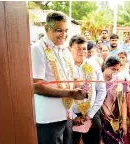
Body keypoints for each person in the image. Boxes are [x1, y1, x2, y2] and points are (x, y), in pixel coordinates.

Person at [31, 11, 86, 144]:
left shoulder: (65, 51)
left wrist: (80, 84)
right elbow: (36, 86)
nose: (64, 35)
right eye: (58, 30)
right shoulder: (37, 49)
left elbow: (70, 80)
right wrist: (71, 92)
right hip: (49, 117)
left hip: (67, 115)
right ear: (46, 28)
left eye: (66, 30)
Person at [68, 35, 107, 144]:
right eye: (78, 48)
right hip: (70, 115)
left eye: (84, 49)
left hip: (92, 113)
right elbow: (62, 93)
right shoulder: (66, 67)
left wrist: (91, 114)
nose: (82, 52)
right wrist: (73, 116)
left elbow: (102, 90)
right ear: (70, 49)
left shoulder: (94, 65)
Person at [100, 56, 127, 144]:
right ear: (106, 67)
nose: (115, 72)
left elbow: (123, 101)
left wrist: (124, 122)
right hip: (100, 122)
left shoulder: (119, 83)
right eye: (113, 69)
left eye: (117, 70)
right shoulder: (97, 81)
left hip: (115, 122)